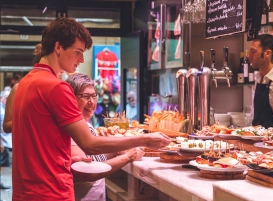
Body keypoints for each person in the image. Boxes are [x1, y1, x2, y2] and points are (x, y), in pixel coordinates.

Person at [12, 17, 170, 200]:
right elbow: (90, 144)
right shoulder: (56, 86)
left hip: (26, 191)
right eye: (78, 52)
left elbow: (36, 143)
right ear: (58, 47)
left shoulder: (26, 82)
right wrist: (144, 139)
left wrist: (66, 160)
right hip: (51, 192)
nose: (82, 59)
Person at [66, 73, 144, 201]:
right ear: (70, 98)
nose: (91, 102)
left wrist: (114, 153)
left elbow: (93, 159)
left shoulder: (85, 125)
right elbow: (88, 173)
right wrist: (128, 157)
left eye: (93, 96)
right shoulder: (72, 129)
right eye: (85, 96)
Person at [0, 90, 12, 190]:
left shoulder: (6, 108)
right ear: (1, 98)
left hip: (6, 141)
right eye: (6, 98)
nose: (8, 100)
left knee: (3, 164)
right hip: (2, 142)